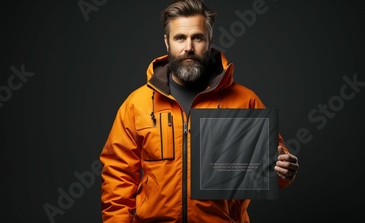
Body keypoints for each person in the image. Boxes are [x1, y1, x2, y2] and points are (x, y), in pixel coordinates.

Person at [99, 0, 299, 222]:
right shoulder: (137, 104)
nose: (188, 48)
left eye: (197, 37)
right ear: (167, 42)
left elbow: (273, 166)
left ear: (210, 40)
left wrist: (284, 168)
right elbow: (118, 176)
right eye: (180, 38)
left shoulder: (245, 100)